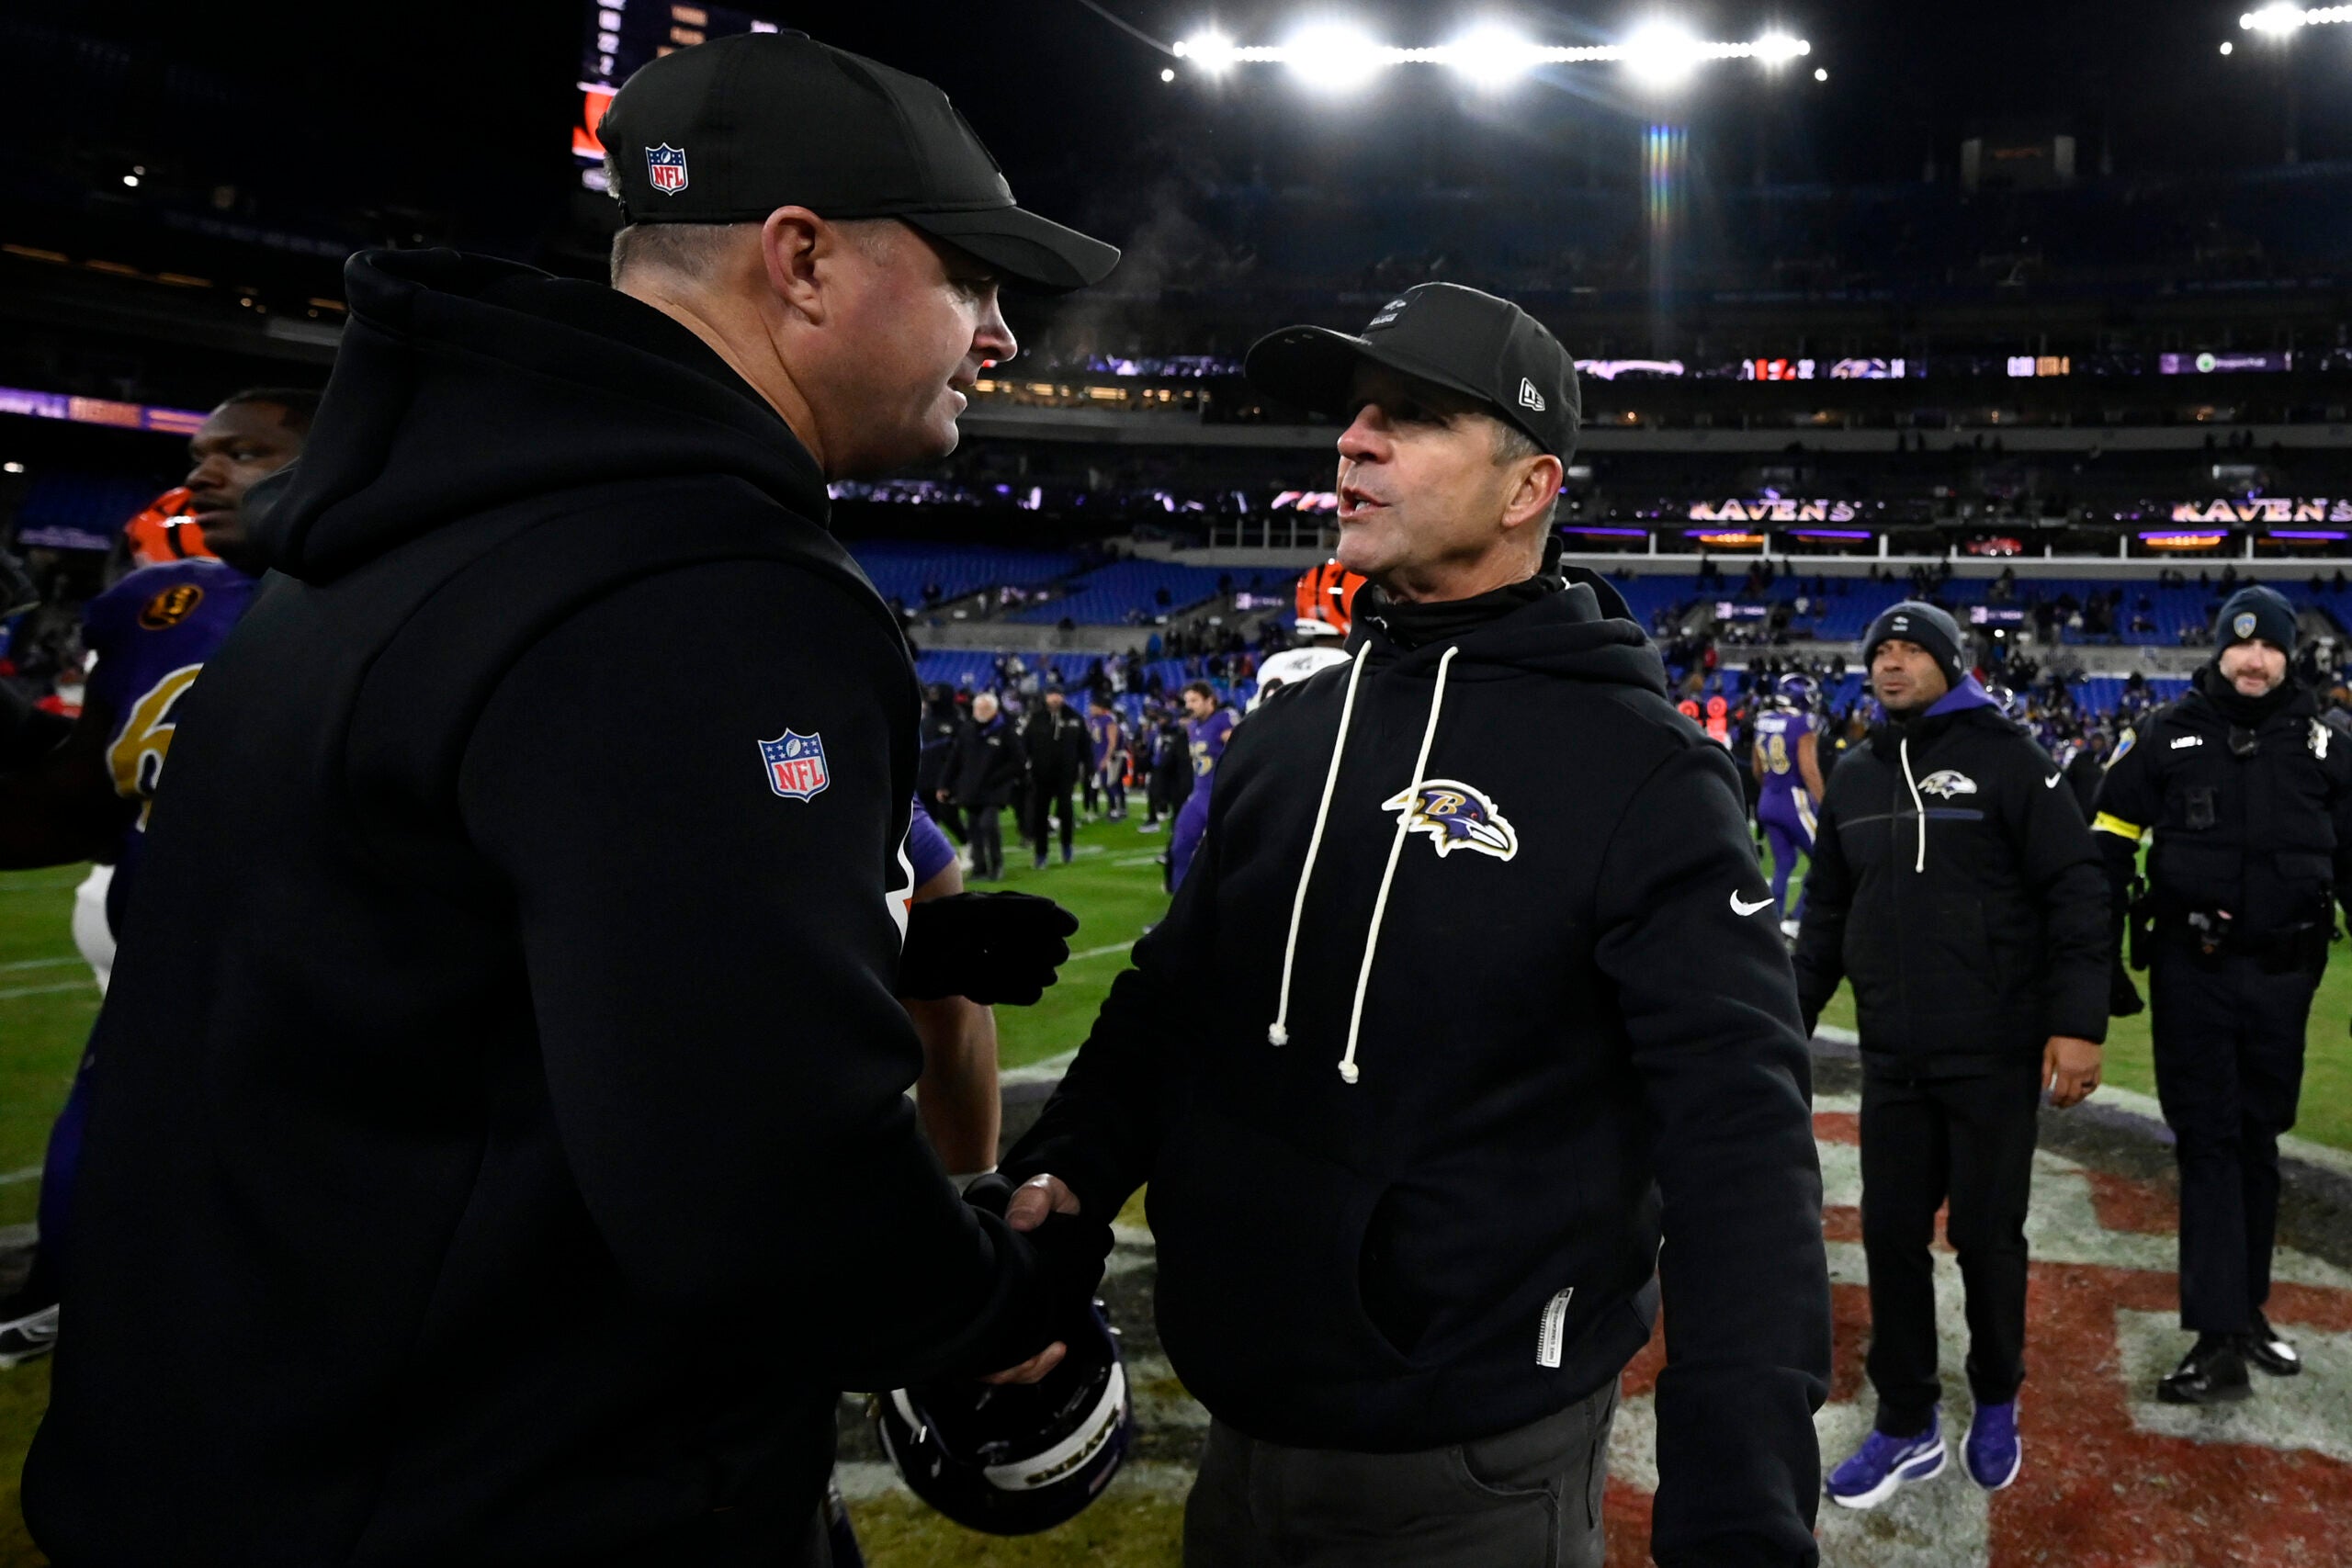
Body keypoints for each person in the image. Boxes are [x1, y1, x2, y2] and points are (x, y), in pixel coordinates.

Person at [24, 33, 1114, 1566]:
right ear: (801, 260)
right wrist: (1001, 1312)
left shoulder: (406, 532)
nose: (999, 333)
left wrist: (897, 960)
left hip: (249, 1449)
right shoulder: (697, 584)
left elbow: (467, 979)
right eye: (970, 277)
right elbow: (754, 1171)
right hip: (498, 1488)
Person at [1001, 283, 1830, 1567]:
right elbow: (1173, 999)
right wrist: (1065, 1177)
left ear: (1526, 486)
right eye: (1354, 414)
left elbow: (1739, 1142)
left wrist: (1740, 1493)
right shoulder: (1288, 733)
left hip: (1473, 1459)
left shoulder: (1643, 772)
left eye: (1414, 416)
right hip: (1245, 1422)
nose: (1355, 439)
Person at [0, 388, 315, 1369]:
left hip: (330, 1025)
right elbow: (87, 805)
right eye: (200, 453)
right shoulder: (151, 612)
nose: (201, 474)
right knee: (92, 1245)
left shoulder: (428, 605)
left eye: (246, 454)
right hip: (161, 1004)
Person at [1792, 601, 2109, 1508]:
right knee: (1889, 1237)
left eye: (1909, 651)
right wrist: (1786, 1022)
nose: (1890, 666)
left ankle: (1998, 1394)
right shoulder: (1852, 776)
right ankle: (1905, 1420)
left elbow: (2075, 890)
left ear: (1947, 662)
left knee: (1984, 1237)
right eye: (1879, 652)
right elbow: (1824, 919)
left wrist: (2077, 1020)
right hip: (1892, 1057)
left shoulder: (2008, 759)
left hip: (1990, 1052)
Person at [2093, 585, 2352, 1404]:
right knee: (2209, 1142)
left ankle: (2246, 1312)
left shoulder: (2327, 747)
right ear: (2218, 650)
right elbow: (2106, 844)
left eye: (2270, 646)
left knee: (2260, 1141)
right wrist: (2099, 963)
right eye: (2240, 646)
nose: (2254, 659)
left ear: (2288, 655)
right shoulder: (2165, 736)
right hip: (2193, 971)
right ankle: (2215, 1336)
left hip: (2285, 977)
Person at [1753, 672, 1826, 940]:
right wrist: (1825, 804)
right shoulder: (1802, 724)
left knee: (1784, 862)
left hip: (1768, 799)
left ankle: (1771, 928)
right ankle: (1794, 920)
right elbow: (1809, 770)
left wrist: (1772, 790)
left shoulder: (1763, 720)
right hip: (1794, 801)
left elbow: (1758, 769)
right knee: (1827, 860)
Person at [944, 690, 1026, 881]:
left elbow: (1019, 761)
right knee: (974, 829)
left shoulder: (1005, 731)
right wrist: (944, 784)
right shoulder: (967, 730)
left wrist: (998, 777)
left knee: (988, 825)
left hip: (993, 789)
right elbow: (954, 759)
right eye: (977, 708)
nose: (980, 712)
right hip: (971, 788)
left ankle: (997, 866)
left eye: (984, 708)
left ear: (994, 710)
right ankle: (979, 868)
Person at [1166, 680, 1237, 890]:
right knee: (1180, 848)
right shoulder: (1193, 726)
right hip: (1198, 795)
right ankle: (1181, 907)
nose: (1189, 705)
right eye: (1187, 700)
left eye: (1195, 700)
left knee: (1228, 857)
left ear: (1210, 701)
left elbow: (1241, 749)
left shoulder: (1223, 721)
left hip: (1220, 797)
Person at [1020, 685, 1089, 868]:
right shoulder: (1036, 718)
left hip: (1066, 775)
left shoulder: (1075, 718)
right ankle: (1041, 854)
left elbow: (1085, 746)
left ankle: (1067, 847)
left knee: (1066, 811)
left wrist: (1090, 768)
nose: (1055, 699)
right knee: (1040, 814)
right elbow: (1024, 745)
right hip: (1040, 775)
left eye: (1058, 695)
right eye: (1052, 695)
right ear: (1046, 697)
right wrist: (1022, 768)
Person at [1084, 694, 1127, 821]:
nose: (1091, 708)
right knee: (1099, 784)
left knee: (1110, 783)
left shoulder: (1109, 720)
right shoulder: (1091, 719)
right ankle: (1103, 810)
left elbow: (1112, 742)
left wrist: (1106, 758)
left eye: (1094, 706)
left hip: (1111, 757)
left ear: (1101, 707)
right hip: (1097, 755)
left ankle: (1115, 810)